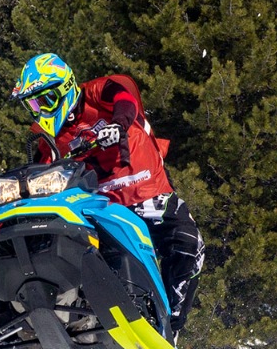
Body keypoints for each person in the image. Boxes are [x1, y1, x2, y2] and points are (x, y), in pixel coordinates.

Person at [10, 53, 204, 332]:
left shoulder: (99, 91)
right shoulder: (46, 137)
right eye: (32, 104)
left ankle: (170, 326)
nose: (40, 110)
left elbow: (125, 98)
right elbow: (38, 172)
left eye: (45, 100)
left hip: (147, 193)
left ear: (65, 88)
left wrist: (118, 124)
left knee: (189, 245)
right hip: (96, 206)